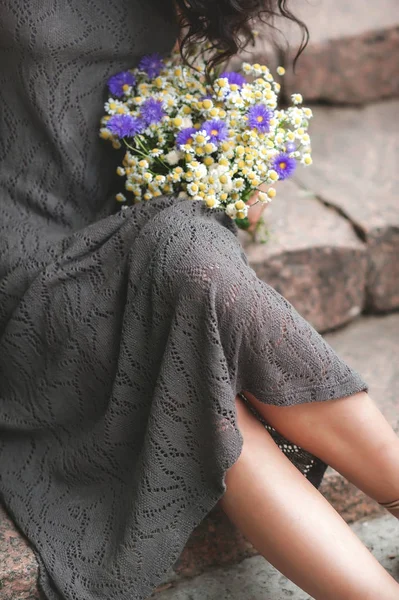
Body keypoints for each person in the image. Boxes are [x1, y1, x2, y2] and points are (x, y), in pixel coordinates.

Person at [0, 1, 398, 599]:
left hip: (133, 229)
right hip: (22, 271)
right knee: (186, 267)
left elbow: (163, 83)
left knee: (194, 366)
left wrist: (235, 166)